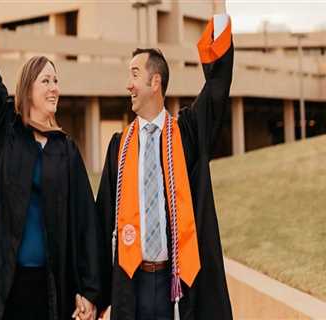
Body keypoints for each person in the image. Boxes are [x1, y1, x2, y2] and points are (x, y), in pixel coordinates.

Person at [0, 2, 100, 320]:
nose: (54, 88)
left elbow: (85, 224)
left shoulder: (66, 150)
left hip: (52, 286)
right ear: (29, 88)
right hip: (9, 283)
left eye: (55, 81)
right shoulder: (9, 133)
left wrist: (90, 291)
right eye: (46, 81)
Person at [96, 14, 234, 320]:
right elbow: (101, 222)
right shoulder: (119, 146)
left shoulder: (185, 133)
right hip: (133, 283)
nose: (128, 84)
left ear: (155, 81)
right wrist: (93, 292)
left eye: (134, 74)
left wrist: (221, 20)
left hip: (177, 281)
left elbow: (215, 93)